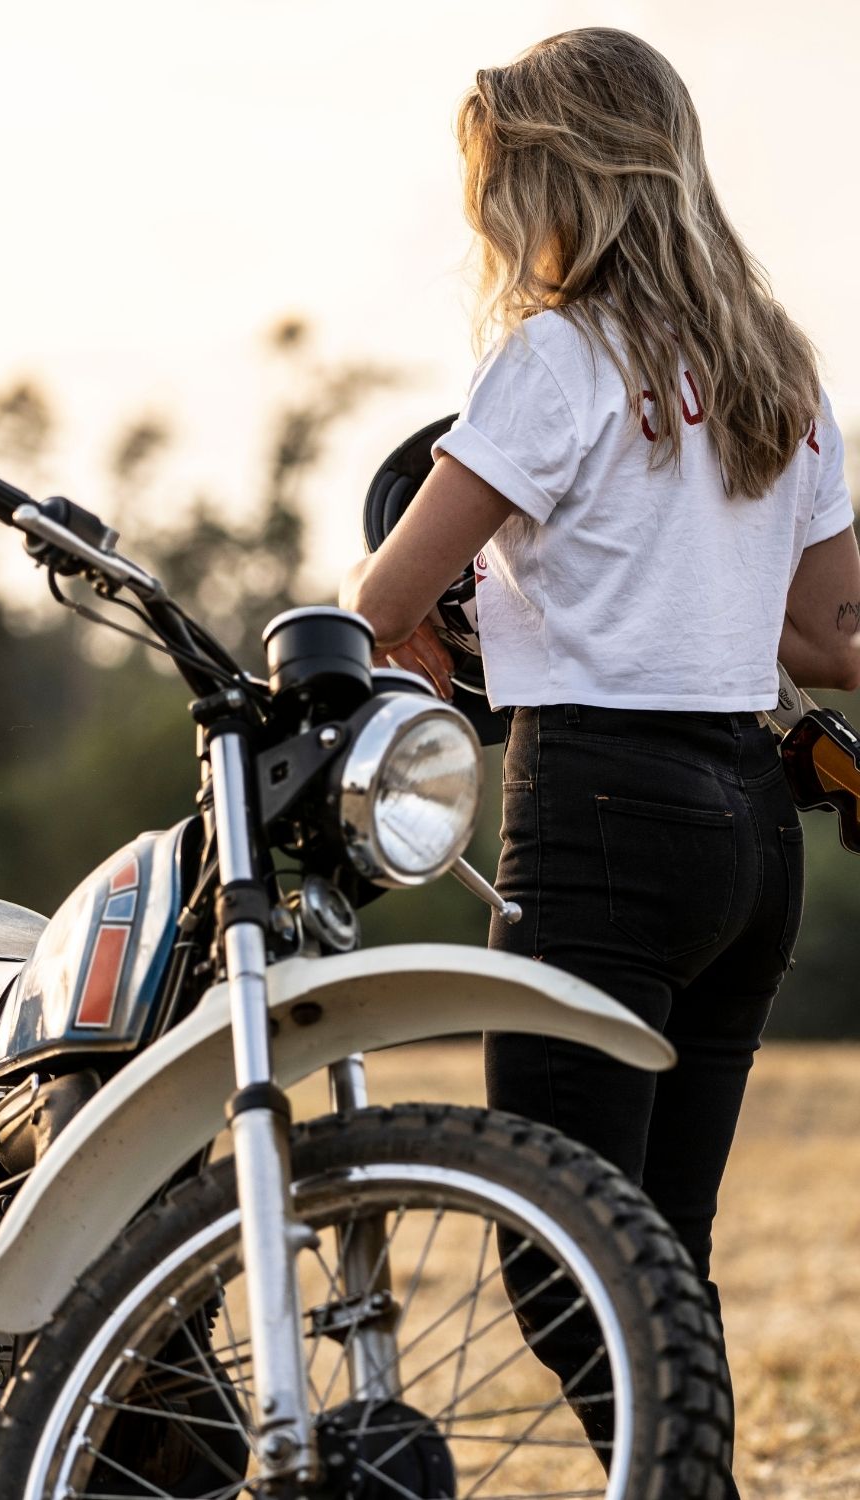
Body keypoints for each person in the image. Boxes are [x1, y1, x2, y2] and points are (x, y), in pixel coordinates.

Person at [340, 27, 860, 1495]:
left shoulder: (557, 359)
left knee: (565, 1248)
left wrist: (418, 645)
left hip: (603, 820)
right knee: (659, 1252)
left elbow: (378, 605)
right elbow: (829, 636)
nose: (494, 223)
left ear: (567, 179)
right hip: (754, 838)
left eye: (503, 184)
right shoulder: (780, 373)